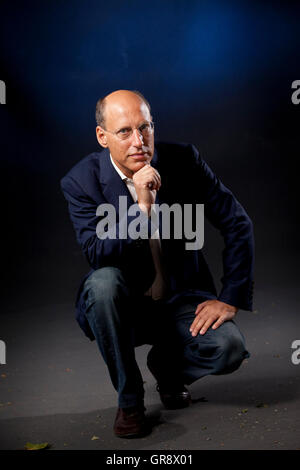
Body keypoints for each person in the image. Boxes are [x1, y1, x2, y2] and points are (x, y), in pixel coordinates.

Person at [60, 89, 254, 438]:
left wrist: (231, 295)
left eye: (145, 128)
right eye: (124, 132)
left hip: (180, 300)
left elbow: (237, 222)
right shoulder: (80, 181)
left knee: (230, 348)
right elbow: (97, 252)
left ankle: (167, 367)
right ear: (102, 137)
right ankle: (130, 400)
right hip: (124, 306)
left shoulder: (184, 161)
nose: (139, 141)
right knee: (102, 283)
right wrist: (142, 209)